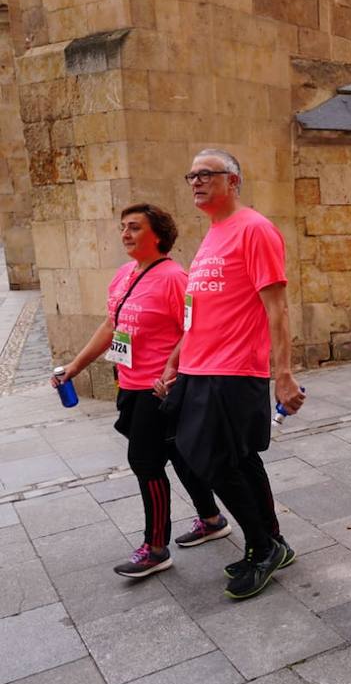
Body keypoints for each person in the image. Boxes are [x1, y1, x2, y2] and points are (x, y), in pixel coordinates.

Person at [53, 204, 230, 578]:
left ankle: (155, 547)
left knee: (145, 463)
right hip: (130, 385)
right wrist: (74, 366)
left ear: (158, 235)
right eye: (123, 227)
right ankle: (212, 519)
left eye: (135, 227)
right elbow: (110, 326)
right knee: (179, 456)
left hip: (158, 389)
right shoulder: (123, 275)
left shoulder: (173, 278)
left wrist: (174, 371)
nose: (125, 234)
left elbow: (196, 328)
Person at [164, 149, 303, 600]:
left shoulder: (255, 229)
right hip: (198, 367)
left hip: (232, 369)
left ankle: (262, 547)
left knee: (213, 460)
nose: (196, 182)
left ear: (234, 181)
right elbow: (198, 310)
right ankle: (272, 543)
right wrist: (176, 359)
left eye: (207, 174)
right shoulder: (213, 234)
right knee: (237, 460)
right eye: (192, 175)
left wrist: (282, 374)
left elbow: (277, 307)